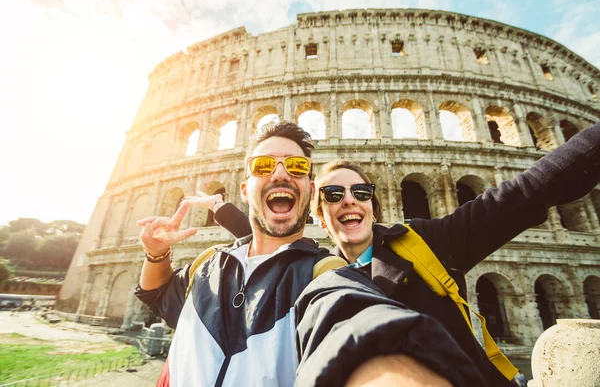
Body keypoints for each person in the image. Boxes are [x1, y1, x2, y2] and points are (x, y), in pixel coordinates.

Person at [193, 121, 600, 386]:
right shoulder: (315, 267)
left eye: (361, 192)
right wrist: (220, 208)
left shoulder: (428, 243)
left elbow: (526, 193)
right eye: (334, 194)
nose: (349, 201)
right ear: (319, 211)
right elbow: (263, 231)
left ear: (373, 203)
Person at [134, 122, 484, 387]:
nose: (281, 174)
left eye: (297, 168)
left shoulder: (324, 275)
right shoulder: (207, 263)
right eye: (264, 166)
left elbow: (356, 327)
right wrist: (156, 255)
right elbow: (158, 295)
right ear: (244, 189)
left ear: (310, 189)